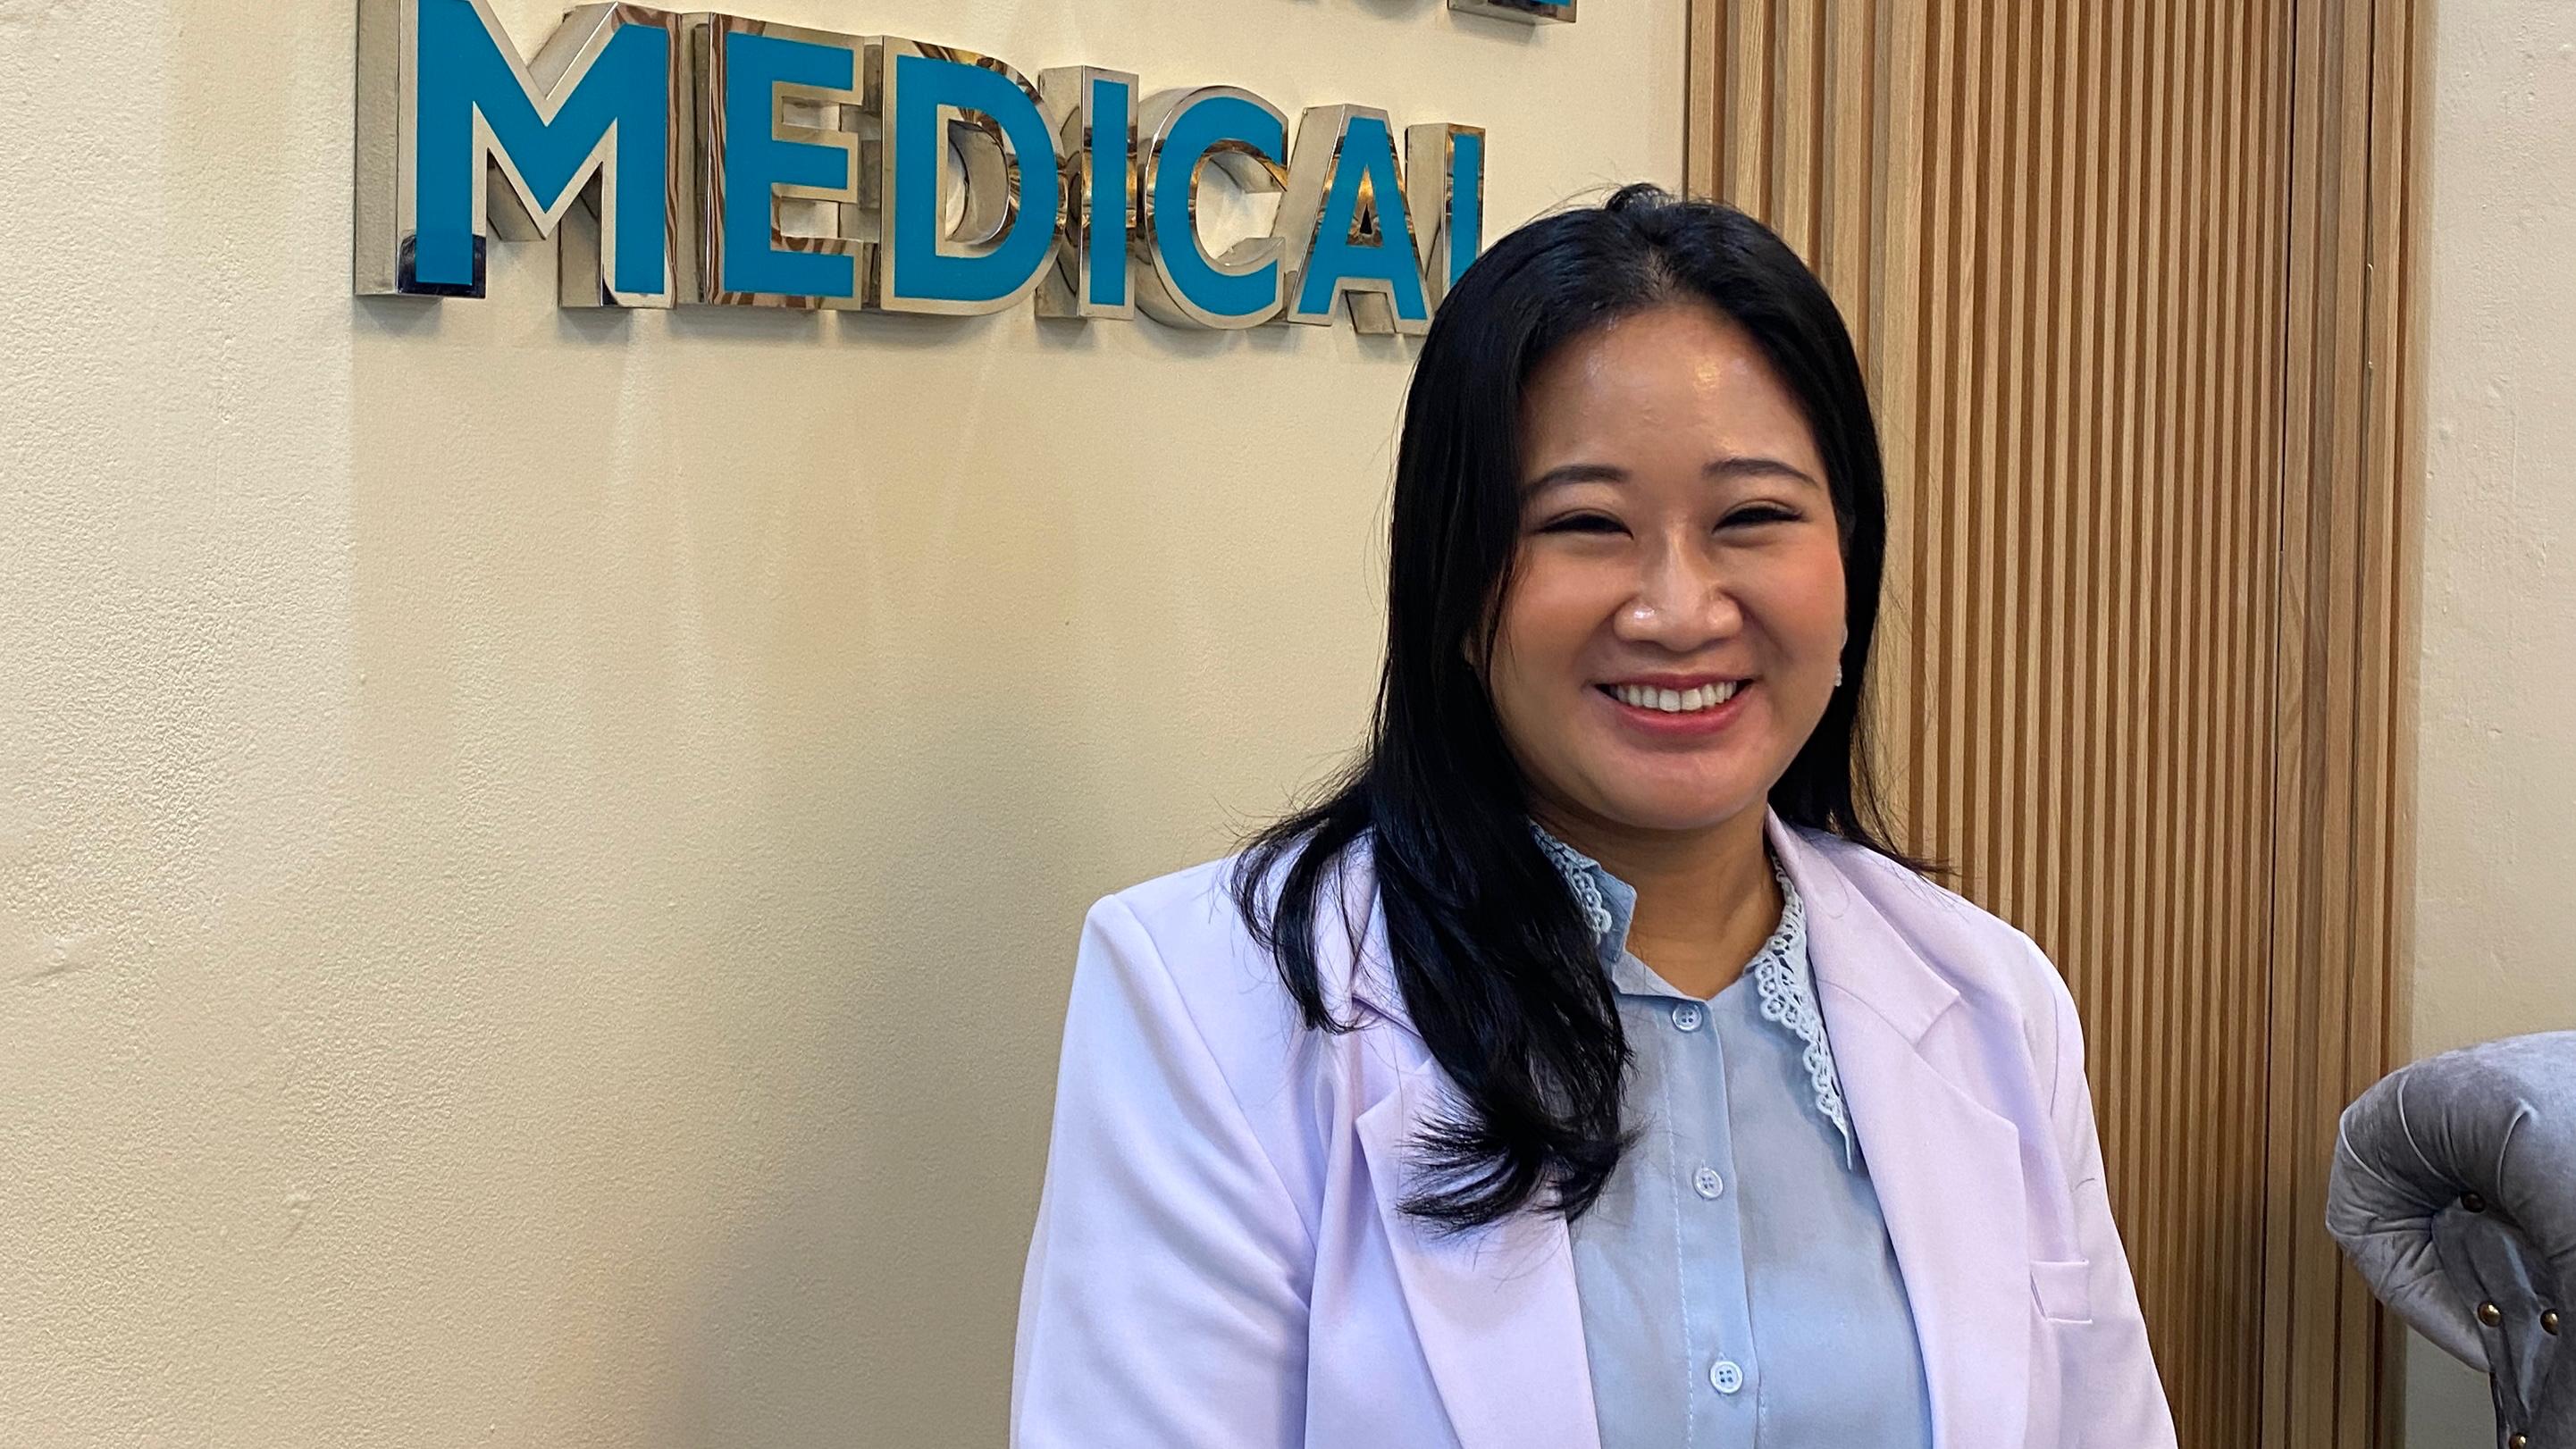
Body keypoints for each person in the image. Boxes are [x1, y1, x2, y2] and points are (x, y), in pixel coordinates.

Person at [1010, 185, 2177, 1449]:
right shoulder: (1210, 1000)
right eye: (1584, 525)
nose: (1679, 611)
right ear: (1457, 586)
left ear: (1849, 559)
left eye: (1753, 518)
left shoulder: (1996, 1000)